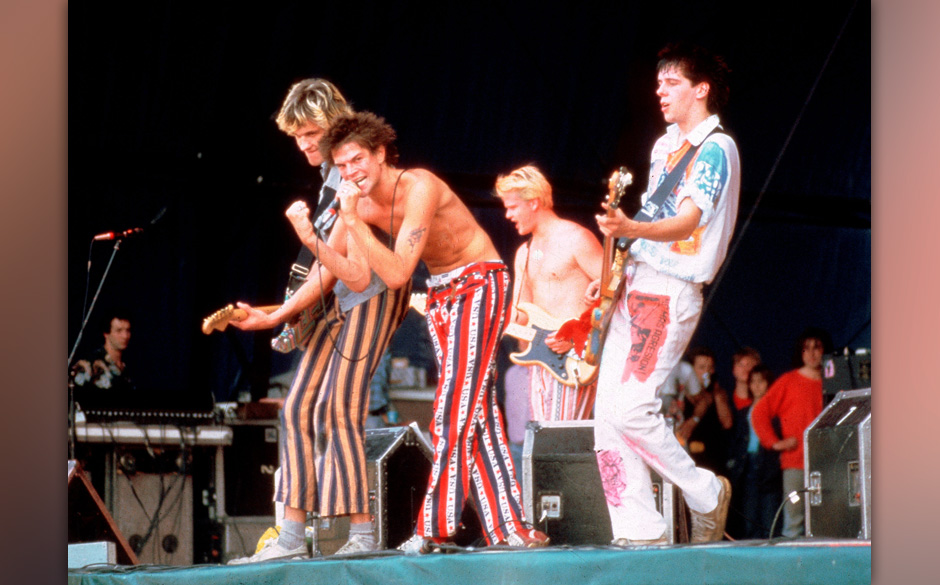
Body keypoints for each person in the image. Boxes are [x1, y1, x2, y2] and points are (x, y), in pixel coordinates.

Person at [288, 110, 549, 552]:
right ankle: (513, 529)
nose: (351, 172)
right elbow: (347, 275)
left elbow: (395, 273)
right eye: (342, 165)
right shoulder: (361, 206)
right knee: (477, 414)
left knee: (454, 406)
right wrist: (285, 295)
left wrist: (352, 221)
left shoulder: (419, 185)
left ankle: (433, 528)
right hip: (442, 294)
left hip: (480, 282)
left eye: (357, 161)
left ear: (381, 153)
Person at [227, 79, 412, 562]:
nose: (304, 143)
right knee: (295, 408)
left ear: (334, 122)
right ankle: (290, 536)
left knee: (341, 409)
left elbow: (338, 269)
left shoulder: (351, 171)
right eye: (295, 135)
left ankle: (363, 536)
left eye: (310, 131)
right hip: (338, 293)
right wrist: (282, 311)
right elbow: (325, 264)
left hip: (370, 289)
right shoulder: (330, 177)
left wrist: (280, 315)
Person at [589, 42, 740, 545]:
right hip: (637, 282)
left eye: (671, 82)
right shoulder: (663, 145)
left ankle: (704, 492)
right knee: (606, 417)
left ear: (701, 89)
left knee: (631, 408)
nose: (660, 91)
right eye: (658, 83)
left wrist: (631, 225)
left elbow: (691, 220)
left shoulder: (716, 148)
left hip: (670, 289)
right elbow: (654, 220)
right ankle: (639, 530)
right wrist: (618, 262)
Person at [494, 165, 603, 421]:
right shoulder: (524, 252)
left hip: (575, 356)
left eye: (512, 207)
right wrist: (485, 323)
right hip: (541, 361)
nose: (508, 215)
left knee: (556, 442)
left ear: (533, 202)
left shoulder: (576, 238)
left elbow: (615, 296)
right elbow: (520, 312)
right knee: (545, 441)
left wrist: (578, 334)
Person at [751, 327, 831, 538]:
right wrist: (774, 443)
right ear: (800, 352)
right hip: (795, 466)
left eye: (817, 347)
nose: (812, 353)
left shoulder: (834, 381)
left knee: (826, 521)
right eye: (807, 348)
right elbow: (759, 413)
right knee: (794, 520)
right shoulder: (788, 381)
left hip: (828, 465)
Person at [739, 363, 783, 538]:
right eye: (753, 381)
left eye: (761, 381)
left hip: (769, 466)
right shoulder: (743, 413)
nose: (756, 385)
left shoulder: (777, 412)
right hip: (747, 465)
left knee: (769, 521)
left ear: (769, 383)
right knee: (749, 521)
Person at [723, 346, 761, 538]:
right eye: (741, 364)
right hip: (730, 467)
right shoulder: (725, 400)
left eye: (751, 365)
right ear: (733, 369)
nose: (746, 369)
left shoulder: (763, 403)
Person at [70, 312, 134, 391]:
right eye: (119, 331)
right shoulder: (89, 363)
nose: (125, 336)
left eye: (128, 330)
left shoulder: (127, 367)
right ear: (106, 333)